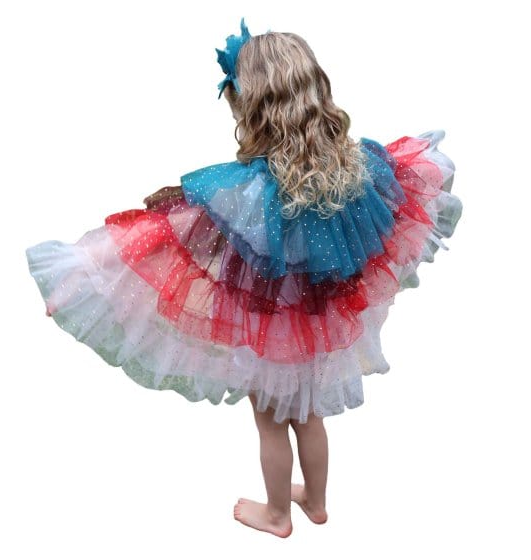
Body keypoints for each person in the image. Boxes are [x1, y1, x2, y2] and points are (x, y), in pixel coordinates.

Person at [26, 18, 463, 538]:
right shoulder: (356, 165)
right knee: (310, 415)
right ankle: (316, 502)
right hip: (321, 322)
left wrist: (87, 264)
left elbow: (177, 227)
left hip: (273, 328)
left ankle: (277, 514)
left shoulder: (251, 188)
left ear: (252, 108)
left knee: (271, 420)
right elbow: (407, 183)